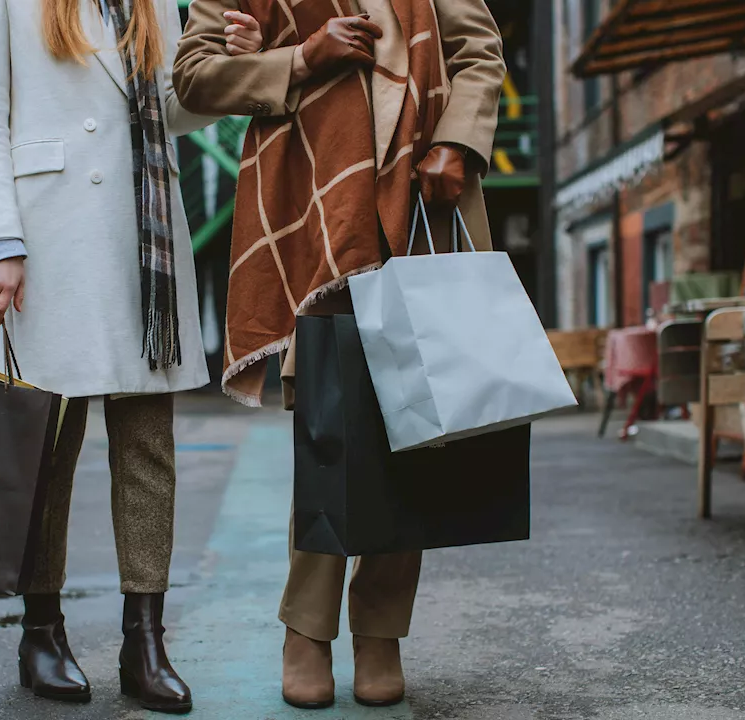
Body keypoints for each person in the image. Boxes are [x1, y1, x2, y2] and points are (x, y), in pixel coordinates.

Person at [173, 0, 505, 709]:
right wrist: (298, 58)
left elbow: (478, 52)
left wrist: (459, 140)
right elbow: (194, 79)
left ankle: (380, 630)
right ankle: (308, 630)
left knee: (419, 431)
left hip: (420, 205)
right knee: (327, 429)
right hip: (315, 221)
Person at [0, 0, 258, 712]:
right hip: (47, 235)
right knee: (46, 450)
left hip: (140, 236)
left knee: (148, 446)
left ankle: (144, 643)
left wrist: (229, 64)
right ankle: (41, 632)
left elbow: (175, 107)